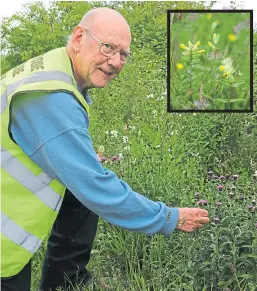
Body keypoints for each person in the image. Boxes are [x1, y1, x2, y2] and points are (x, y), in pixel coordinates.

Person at [1, 7, 210, 291]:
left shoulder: (50, 69)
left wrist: (76, 159)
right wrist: (168, 217)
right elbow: (95, 187)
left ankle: (65, 282)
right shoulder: (50, 97)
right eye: (108, 47)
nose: (115, 62)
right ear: (78, 37)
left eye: (124, 54)